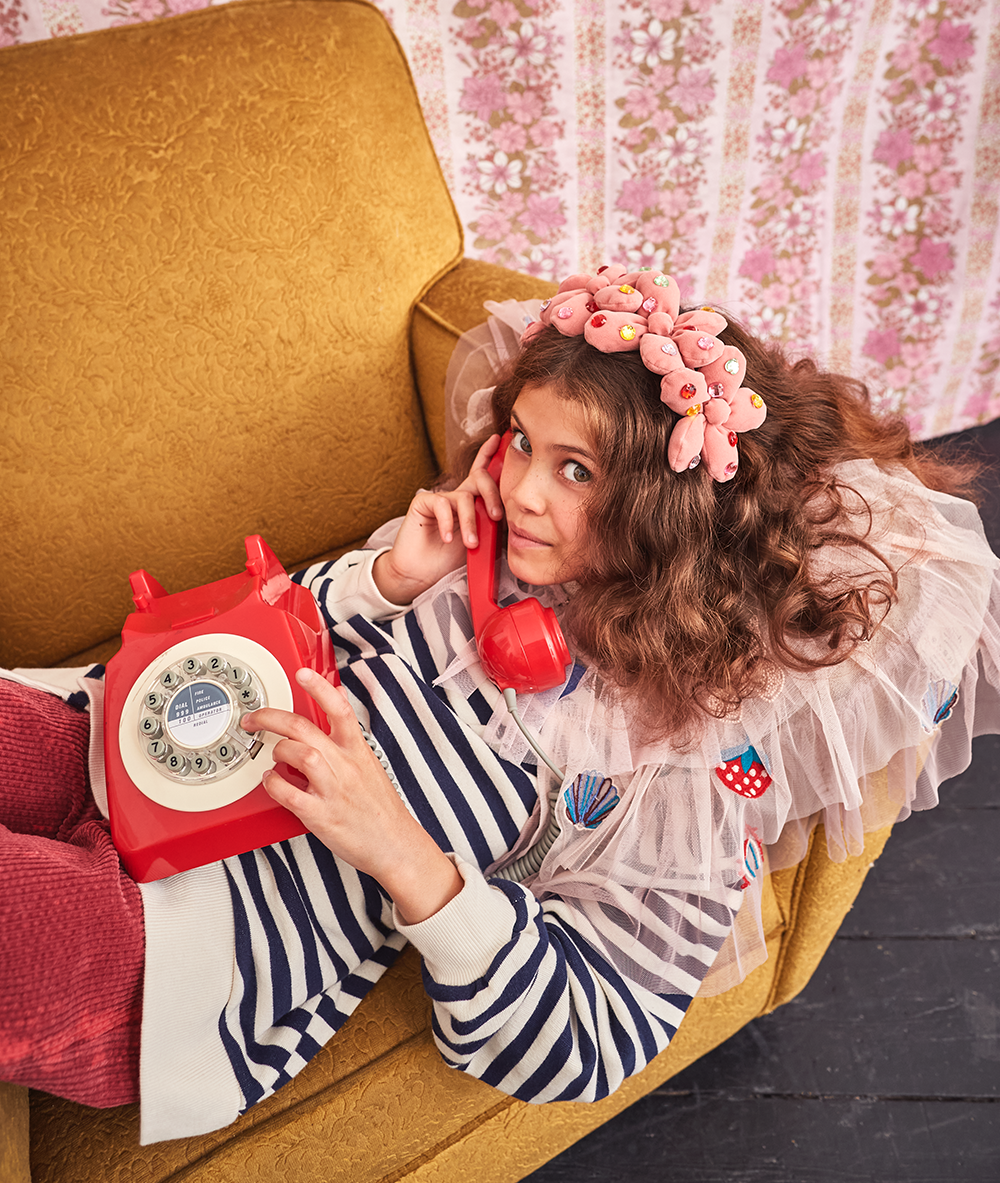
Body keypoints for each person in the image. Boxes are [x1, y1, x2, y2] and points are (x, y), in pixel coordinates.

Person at [3, 264, 999, 1146]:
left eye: (575, 470)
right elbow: (259, 634)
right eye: (522, 442)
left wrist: (403, 854)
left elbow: (597, 1040)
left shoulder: (678, 770)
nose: (520, 487)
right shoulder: (488, 550)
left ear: (662, 506)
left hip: (182, 942)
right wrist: (389, 579)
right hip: (121, 739)